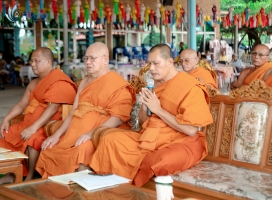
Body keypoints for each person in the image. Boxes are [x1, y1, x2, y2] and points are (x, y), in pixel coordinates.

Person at [89, 44, 213, 184]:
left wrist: (158, 110)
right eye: (149, 63)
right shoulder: (156, 85)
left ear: (170, 62)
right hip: (152, 138)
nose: (151, 68)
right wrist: (144, 107)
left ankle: (131, 190)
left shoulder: (190, 87)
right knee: (109, 141)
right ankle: (112, 189)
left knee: (157, 161)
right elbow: (144, 123)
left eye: (156, 63)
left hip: (183, 142)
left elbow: (191, 130)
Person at [35, 42, 136, 178]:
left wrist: (90, 134)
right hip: (75, 132)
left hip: (100, 133)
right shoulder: (84, 82)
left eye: (92, 58)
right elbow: (73, 112)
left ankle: (78, 192)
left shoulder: (117, 84)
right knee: (50, 147)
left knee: (82, 150)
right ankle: (55, 191)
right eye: (86, 58)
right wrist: (57, 135)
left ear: (105, 59)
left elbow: (117, 118)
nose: (88, 62)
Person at [0, 47, 77, 184]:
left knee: (33, 139)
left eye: (37, 61)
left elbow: (52, 108)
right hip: (27, 124)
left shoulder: (59, 81)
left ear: (48, 62)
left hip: (47, 126)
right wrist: (6, 119)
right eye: (32, 61)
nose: (32, 64)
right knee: (4, 134)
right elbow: (21, 105)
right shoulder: (34, 83)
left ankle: (29, 176)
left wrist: (33, 128)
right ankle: (12, 173)